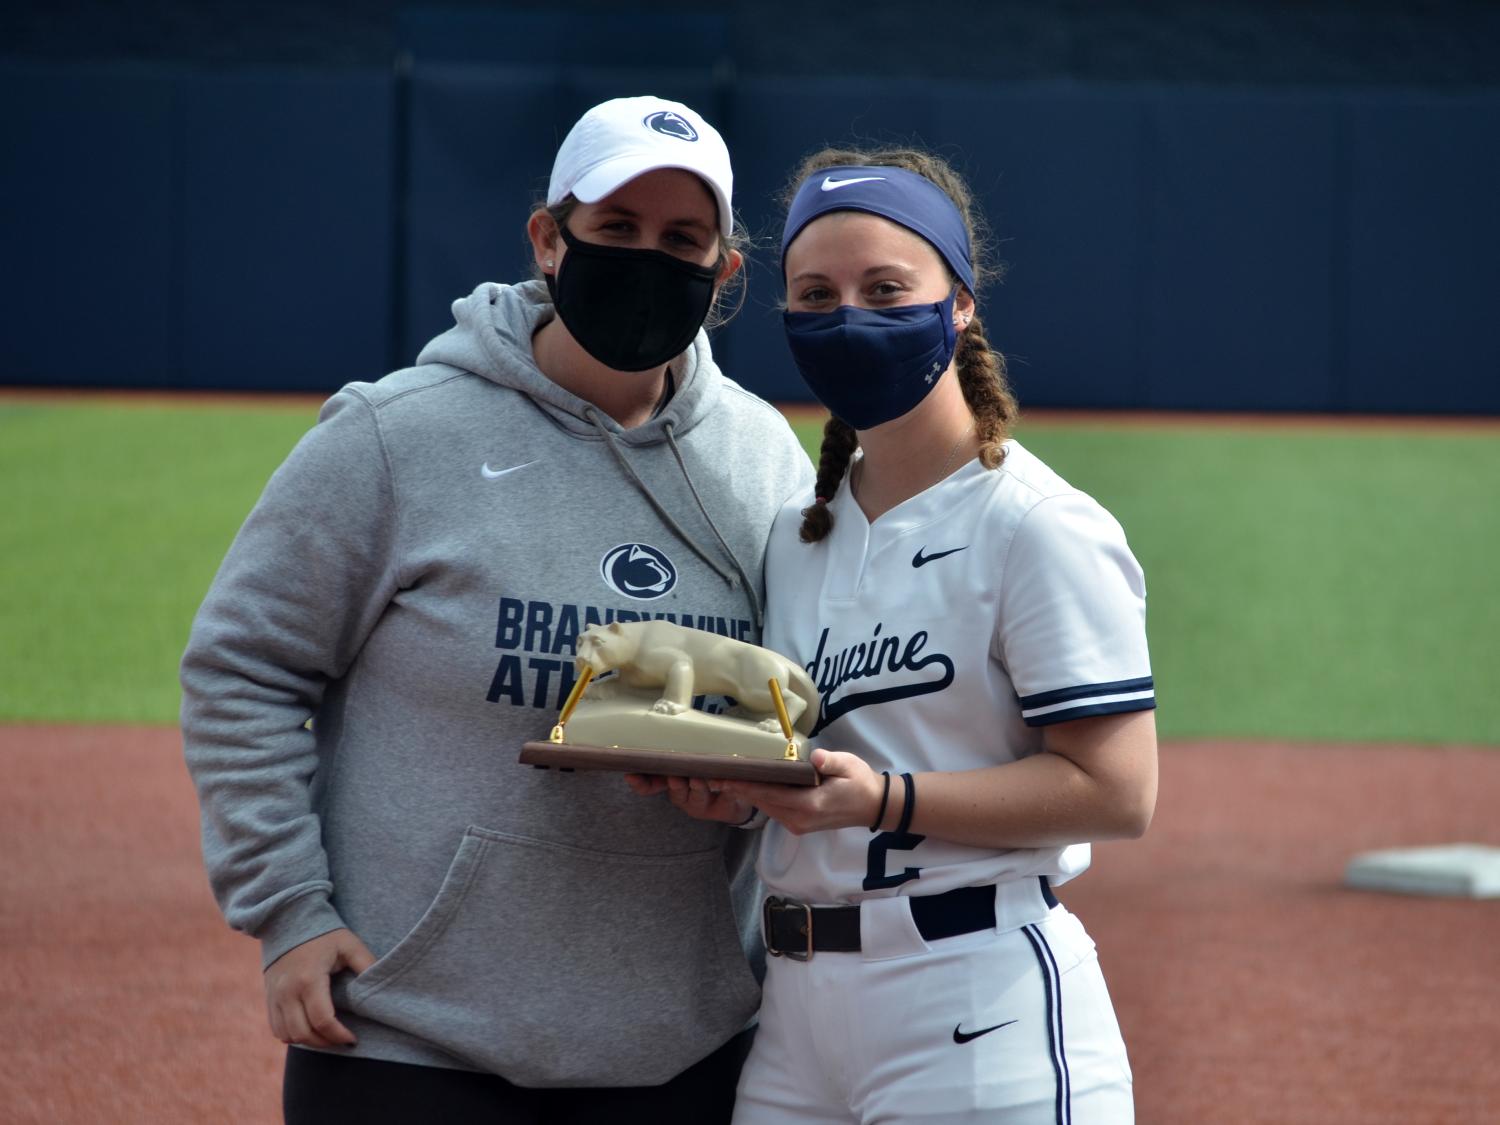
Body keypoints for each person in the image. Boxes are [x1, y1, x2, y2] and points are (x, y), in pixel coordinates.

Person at [180, 95, 812, 1124]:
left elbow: (783, 705)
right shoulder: (394, 436)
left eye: (681, 241)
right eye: (616, 230)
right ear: (549, 240)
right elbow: (244, 668)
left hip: (677, 1052)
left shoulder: (764, 463)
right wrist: (289, 912)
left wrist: (737, 784)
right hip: (408, 1041)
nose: (648, 258)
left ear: (724, 272)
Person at [639, 148, 1158, 1123]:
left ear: (958, 302)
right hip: (794, 1022)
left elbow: (1118, 792)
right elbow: (815, 770)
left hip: (976, 1006)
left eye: (886, 289)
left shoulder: (1035, 524)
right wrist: (740, 795)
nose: (849, 318)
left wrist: (882, 800)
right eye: (816, 293)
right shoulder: (800, 531)